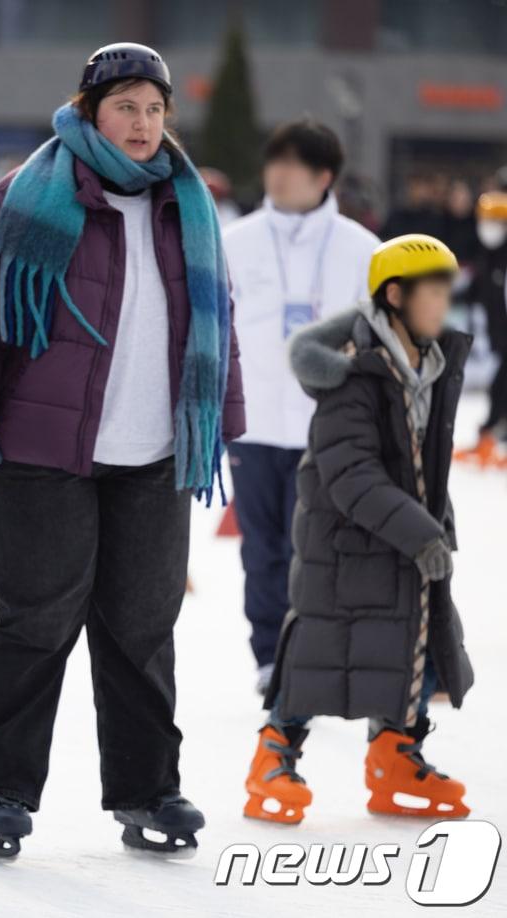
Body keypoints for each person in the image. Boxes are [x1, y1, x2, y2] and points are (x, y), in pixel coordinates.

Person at [0, 42, 244, 860]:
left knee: (144, 625)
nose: (142, 125)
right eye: (125, 108)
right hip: (40, 450)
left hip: (153, 451)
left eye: (154, 109)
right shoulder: (31, 193)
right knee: (38, 620)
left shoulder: (187, 204)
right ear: (90, 110)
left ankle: (149, 790)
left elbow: (218, 321)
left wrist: (223, 423)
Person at [244, 234, 474, 825]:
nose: (443, 302)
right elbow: (351, 475)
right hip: (343, 544)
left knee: (407, 644)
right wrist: (422, 532)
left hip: (399, 538)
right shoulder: (354, 371)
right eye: (432, 290)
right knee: (324, 648)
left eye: (449, 288)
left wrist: (434, 527)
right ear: (395, 295)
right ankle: (273, 754)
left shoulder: (432, 361)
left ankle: (395, 754)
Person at [222, 117, 379, 694]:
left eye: (294, 165)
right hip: (255, 422)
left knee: (318, 548)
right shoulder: (234, 240)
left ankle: (316, 651)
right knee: (262, 548)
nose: (279, 176)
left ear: (324, 176)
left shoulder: (364, 250)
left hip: (328, 426)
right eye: (274, 163)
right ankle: (270, 657)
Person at [457, 189, 507, 465]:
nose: (490, 229)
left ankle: (491, 432)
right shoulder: (486, 255)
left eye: (498, 223)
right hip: (499, 335)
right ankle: (490, 434)